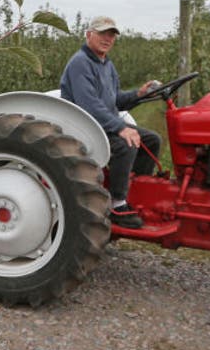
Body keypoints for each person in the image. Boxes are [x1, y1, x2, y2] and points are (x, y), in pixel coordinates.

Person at [59, 16, 161, 229]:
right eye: (102, 33)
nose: (107, 38)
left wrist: (139, 94)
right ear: (89, 34)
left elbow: (115, 101)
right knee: (126, 144)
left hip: (101, 123)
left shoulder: (107, 64)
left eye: (111, 35)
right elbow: (90, 106)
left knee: (152, 140)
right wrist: (121, 128)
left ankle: (135, 192)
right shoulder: (80, 63)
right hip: (83, 126)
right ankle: (116, 203)